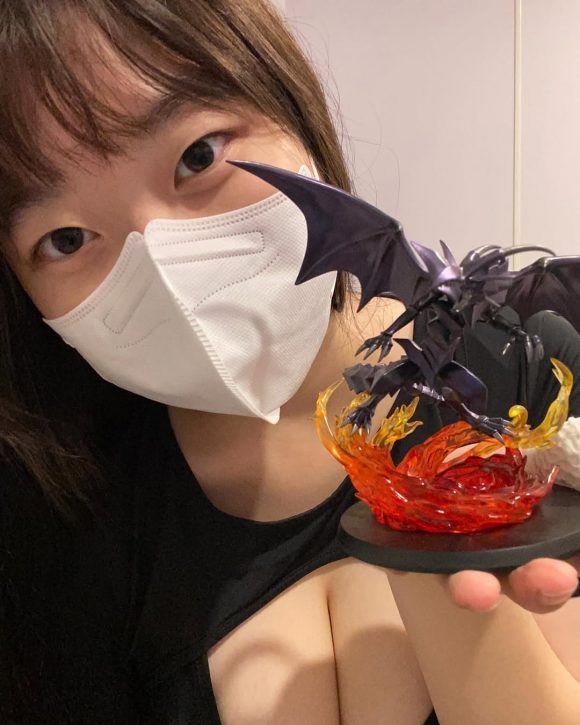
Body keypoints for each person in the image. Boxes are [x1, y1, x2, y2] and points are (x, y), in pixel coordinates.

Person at [0, 1, 579, 723]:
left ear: (291, 107)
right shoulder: (66, 520)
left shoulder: (529, 372)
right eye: (64, 239)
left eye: (198, 156)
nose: (162, 265)